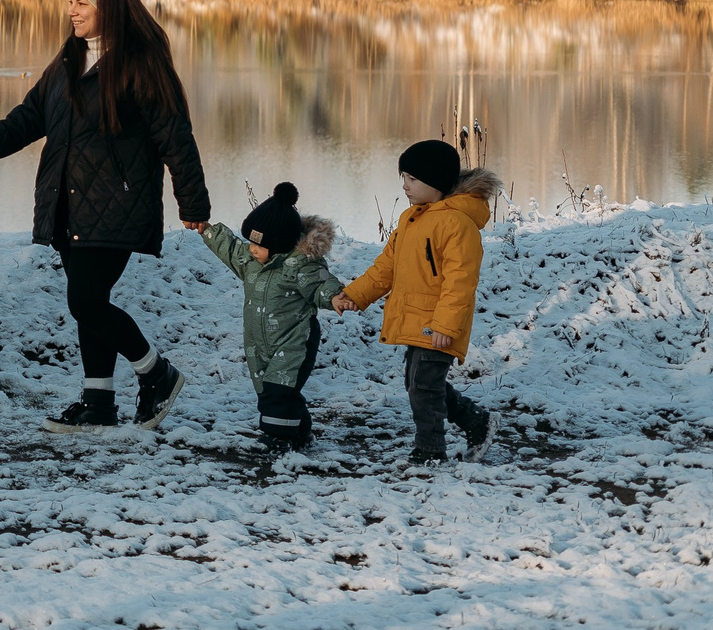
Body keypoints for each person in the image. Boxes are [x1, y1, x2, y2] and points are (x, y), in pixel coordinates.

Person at [0, 0, 209, 432]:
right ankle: (99, 403)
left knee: (85, 301)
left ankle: (157, 373)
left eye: (82, 2)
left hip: (118, 205)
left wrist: (193, 203)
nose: (72, 11)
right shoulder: (69, 59)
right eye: (70, 2)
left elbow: (175, 137)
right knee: (91, 299)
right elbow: (27, 118)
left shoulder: (139, 62)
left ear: (110, 7)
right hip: (68, 205)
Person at [332, 140, 500, 467]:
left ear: (435, 181)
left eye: (412, 179)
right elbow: (386, 268)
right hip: (414, 318)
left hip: (438, 324)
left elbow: (460, 282)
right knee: (419, 383)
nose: (405, 186)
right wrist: (355, 295)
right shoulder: (411, 219)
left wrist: (444, 327)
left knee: (423, 386)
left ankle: (430, 451)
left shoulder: (457, 224)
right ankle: (477, 422)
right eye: (403, 178)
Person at [183, 181, 342, 451]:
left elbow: (321, 285)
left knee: (280, 391)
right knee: (272, 392)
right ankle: (300, 432)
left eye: (259, 245)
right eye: (251, 243)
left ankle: (278, 438)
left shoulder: (300, 266)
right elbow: (231, 249)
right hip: (259, 342)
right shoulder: (251, 262)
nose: (252, 249)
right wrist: (208, 231)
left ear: (278, 244)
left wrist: (335, 296)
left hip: (294, 341)